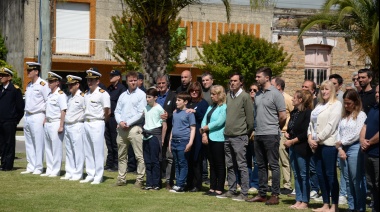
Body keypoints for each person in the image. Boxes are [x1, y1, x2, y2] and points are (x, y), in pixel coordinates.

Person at [247, 68, 286, 205]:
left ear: (267, 78)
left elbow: (283, 116)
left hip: (271, 134)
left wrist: (275, 129)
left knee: (274, 165)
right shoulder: (257, 95)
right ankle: (262, 193)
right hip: (259, 134)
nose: (256, 79)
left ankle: (275, 194)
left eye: (259, 77)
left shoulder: (276, 94)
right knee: (261, 165)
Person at [217, 72, 254, 202]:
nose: (232, 83)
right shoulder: (228, 96)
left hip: (240, 136)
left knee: (241, 165)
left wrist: (245, 133)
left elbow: (250, 120)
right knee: (230, 165)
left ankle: (244, 192)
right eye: (231, 81)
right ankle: (232, 190)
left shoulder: (245, 97)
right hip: (228, 136)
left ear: (241, 82)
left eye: (235, 81)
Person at [308, 80, 342, 212]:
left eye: (327, 89)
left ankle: (334, 205)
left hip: (328, 144)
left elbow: (331, 126)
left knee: (330, 174)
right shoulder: (319, 105)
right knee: (320, 174)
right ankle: (325, 204)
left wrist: (318, 138)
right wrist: (310, 136)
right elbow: (311, 124)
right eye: (322, 89)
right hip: (317, 144)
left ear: (332, 90)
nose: (324, 92)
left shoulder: (336, 105)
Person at [336, 90, 367, 212]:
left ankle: (360, 207)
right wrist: (339, 148)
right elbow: (338, 132)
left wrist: (342, 143)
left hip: (355, 148)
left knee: (356, 178)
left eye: (349, 103)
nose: (346, 106)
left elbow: (357, 133)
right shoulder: (344, 116)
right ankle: (352, 206)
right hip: (342, 149)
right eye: (345, 103)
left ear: (355, 102)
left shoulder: (361, 115)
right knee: (347, 179)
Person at [114, 71, 146, 188]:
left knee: (139, 155)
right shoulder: (122, 95)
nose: (133, 82)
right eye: (130, 80)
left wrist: (128, 123)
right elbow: (117, 111)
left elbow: (140, 113)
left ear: (138, 81)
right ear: (126, 82)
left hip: (135, 127)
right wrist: (120, 122)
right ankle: (121, 178)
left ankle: (140, 179)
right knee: (121, 155)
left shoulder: (141, 94)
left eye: (135, 80)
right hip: (122, 128)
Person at [81, 68, 110, 184]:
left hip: (97, 122)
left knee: (97, 151)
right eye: (88, 80)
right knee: (88, 150)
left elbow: (107, 111)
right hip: (86, 122)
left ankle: (98, 175)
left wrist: (103, 122)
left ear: (97, 81)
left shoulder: (103, 94)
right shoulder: (86, 94)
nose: (89, 82)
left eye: (92, 80)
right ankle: (90, 173)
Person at [285, 90, 313, 209]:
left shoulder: (307, 113)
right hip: (292, 147)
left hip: (302, 147)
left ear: (300, 100)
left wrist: (292, 140)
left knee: (303, 174)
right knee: (296, 174)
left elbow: (305, 132)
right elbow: (291, 127)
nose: (292, 99)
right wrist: (288, 133)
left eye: (294, 98)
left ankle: (305, 201)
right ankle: (298, 199)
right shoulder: (294, 112)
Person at [22, 62, 50, 175]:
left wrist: (46, 117)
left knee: (38, 142)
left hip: (38, 114)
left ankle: (38, 167)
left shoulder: (43, 84)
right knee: (29, 142)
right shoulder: (29, 85)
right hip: (28, 115)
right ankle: (31, 165)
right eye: (27, 70)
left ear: (36, 71)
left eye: (30, 70)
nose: (28, 72)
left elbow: (48, 100)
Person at [200, 85, 227, 196]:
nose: (211, 96)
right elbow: (203, 120)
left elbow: (220, 122)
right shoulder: (211, 107)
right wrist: (204, 133)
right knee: (212, 164)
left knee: (219, 164)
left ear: (220, 95)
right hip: (208, 138)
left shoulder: (224, 107)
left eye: (213, 94)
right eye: (211, 94)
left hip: (219, 139)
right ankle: (212, 187)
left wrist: (206, 127)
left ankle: (219, 188)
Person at [41, 72, 67, 177]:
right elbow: (48, 109)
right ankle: (49, 168)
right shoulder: (49, 94)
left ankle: (56, 170)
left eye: (52, 81)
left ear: (57, 82)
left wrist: (61, 125)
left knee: (56, 148)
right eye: (49, 81)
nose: (49, 83)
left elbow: (63, 110)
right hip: (48, 122)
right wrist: (45, 119)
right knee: (48, 147)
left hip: (56, 122)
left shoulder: (61, 95)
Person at [270, 77, 294, 195]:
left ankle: (287, 185)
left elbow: (294, 115)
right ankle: (271, 183)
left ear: (278, 86)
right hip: (271, 132)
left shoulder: (288, 98)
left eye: (272, 84)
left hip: (283, 132)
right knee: (271, 160)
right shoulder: (270, 97)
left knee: (284, 160)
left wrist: (289, 130)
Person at [169, 92, 196, 193]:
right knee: (176, 163)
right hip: (174, 141)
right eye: (176, 100)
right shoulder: (175, 113)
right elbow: (173, 127)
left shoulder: (189, 113)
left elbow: (193, 128)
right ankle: (178, 184)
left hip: (183, 141)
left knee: (183, 163)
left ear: (185, 102)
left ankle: (181, 185)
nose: (176, 102)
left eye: (179, 100)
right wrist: (170, 141)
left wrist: (190, 142)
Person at [185, 82, 209, 192]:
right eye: (192, 91)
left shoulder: (203, 103)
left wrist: (195, 111)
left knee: (197, 160)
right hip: (188, 135)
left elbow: (205, 118)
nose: (194, 92)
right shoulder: (188, 103)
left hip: (198, 136)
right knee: (188, 160)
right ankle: (188, 183)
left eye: (196, 91)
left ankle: (197, 184)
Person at [142, 88, 167, 190]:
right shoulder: (146, 108)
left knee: (155, 161)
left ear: (155, 97)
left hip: (155, 136)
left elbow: (164, 125)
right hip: (145, 136)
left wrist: (162, 139)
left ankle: (156, 183)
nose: (147, 99)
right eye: (146, 97)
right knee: (147, 161)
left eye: (149, 97)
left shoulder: (159, 109)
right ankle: (149, 183)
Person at [61, 75, 85, 181]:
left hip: (77, 125)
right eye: (68, 84)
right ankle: (69, 171)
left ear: (77, 84)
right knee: (69, 150)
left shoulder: (82, 97)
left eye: (71, 84)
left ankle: (78, 172)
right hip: (68, 125)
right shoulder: (69, 97)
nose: (69, 86)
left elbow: (86, 111)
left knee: (78, 150)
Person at [0, 67, 24, 171]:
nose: (0, 77)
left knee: (9, 143)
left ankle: (8, 165)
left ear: (9, 77)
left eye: (3, 75)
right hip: (1, 121)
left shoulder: (15, 90)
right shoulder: (0, 88)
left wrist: (15, 120)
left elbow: (20, 108)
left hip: (10, 121)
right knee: (1, 143)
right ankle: (3, 163)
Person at [155, 74, 177, 189]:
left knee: (169, 156)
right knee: (158, 156)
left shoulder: (173, 96)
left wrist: (169, 115)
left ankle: (169, 180)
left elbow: (177, 111)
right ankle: (157, 180)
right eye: (159, 83)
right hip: (156, 130)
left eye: (163, 83)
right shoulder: (155, 96)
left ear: (167, 83)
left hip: (169, 130)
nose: (161, 85)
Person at [360, 84, 379, 212]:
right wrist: (362, 140)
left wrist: (369, 142)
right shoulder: (374, 109)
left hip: (377, 155)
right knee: (371, 184)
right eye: (376, 92)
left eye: (379, 93)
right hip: (368, 153)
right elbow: (365, 126)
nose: (377, 94)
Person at [329, 74, 347, 204]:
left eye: (334, 83)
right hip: (330, 138)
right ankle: (332, 192)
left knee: (342, 167)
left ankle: (343, 193)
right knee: (331, 168)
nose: (331, 86)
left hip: (341, 137)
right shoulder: (327, 99)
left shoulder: (342, 98)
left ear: (340, 85)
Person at [301, 79, 320, 199]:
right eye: (302, 86)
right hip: (303, 139)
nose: (303, 88)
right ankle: (305, 187)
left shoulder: (317, 103)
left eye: (306, 87)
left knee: (313, 166)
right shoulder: (302, 104)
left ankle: (315, 188)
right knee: (304, 166)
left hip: (313, 138)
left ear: (313, 90)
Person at [104, 70, 127, 172]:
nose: (110, 77)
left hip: (116, 118)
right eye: (110, 75)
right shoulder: (109, 88)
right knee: (108, 141)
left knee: (115, 142)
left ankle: (116, 164)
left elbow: (123, 106)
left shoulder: (122, 89)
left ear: (118, 77)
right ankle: (109, 163)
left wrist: (120, 120)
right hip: (108, 117)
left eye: (113, 76)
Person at [201, 72, 214, 184]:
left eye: (207, 80)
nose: (205, 82)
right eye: (203, 80)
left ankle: (214, 176)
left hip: (212, 127)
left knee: (211, 153)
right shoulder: (201, 93)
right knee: (203, 154)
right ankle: (204, 175)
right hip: (202, 125)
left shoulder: (214, 93)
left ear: (212, 81)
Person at [247, 83, 259, 193]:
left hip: (256, 136)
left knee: (256, 161)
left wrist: (255, 131)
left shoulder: (259, 104)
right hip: (246, 135)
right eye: (250, 89)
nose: (252, 91)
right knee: (246, 161)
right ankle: (247, 182)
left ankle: (255, 184)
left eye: (254, 90)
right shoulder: (246, 104)